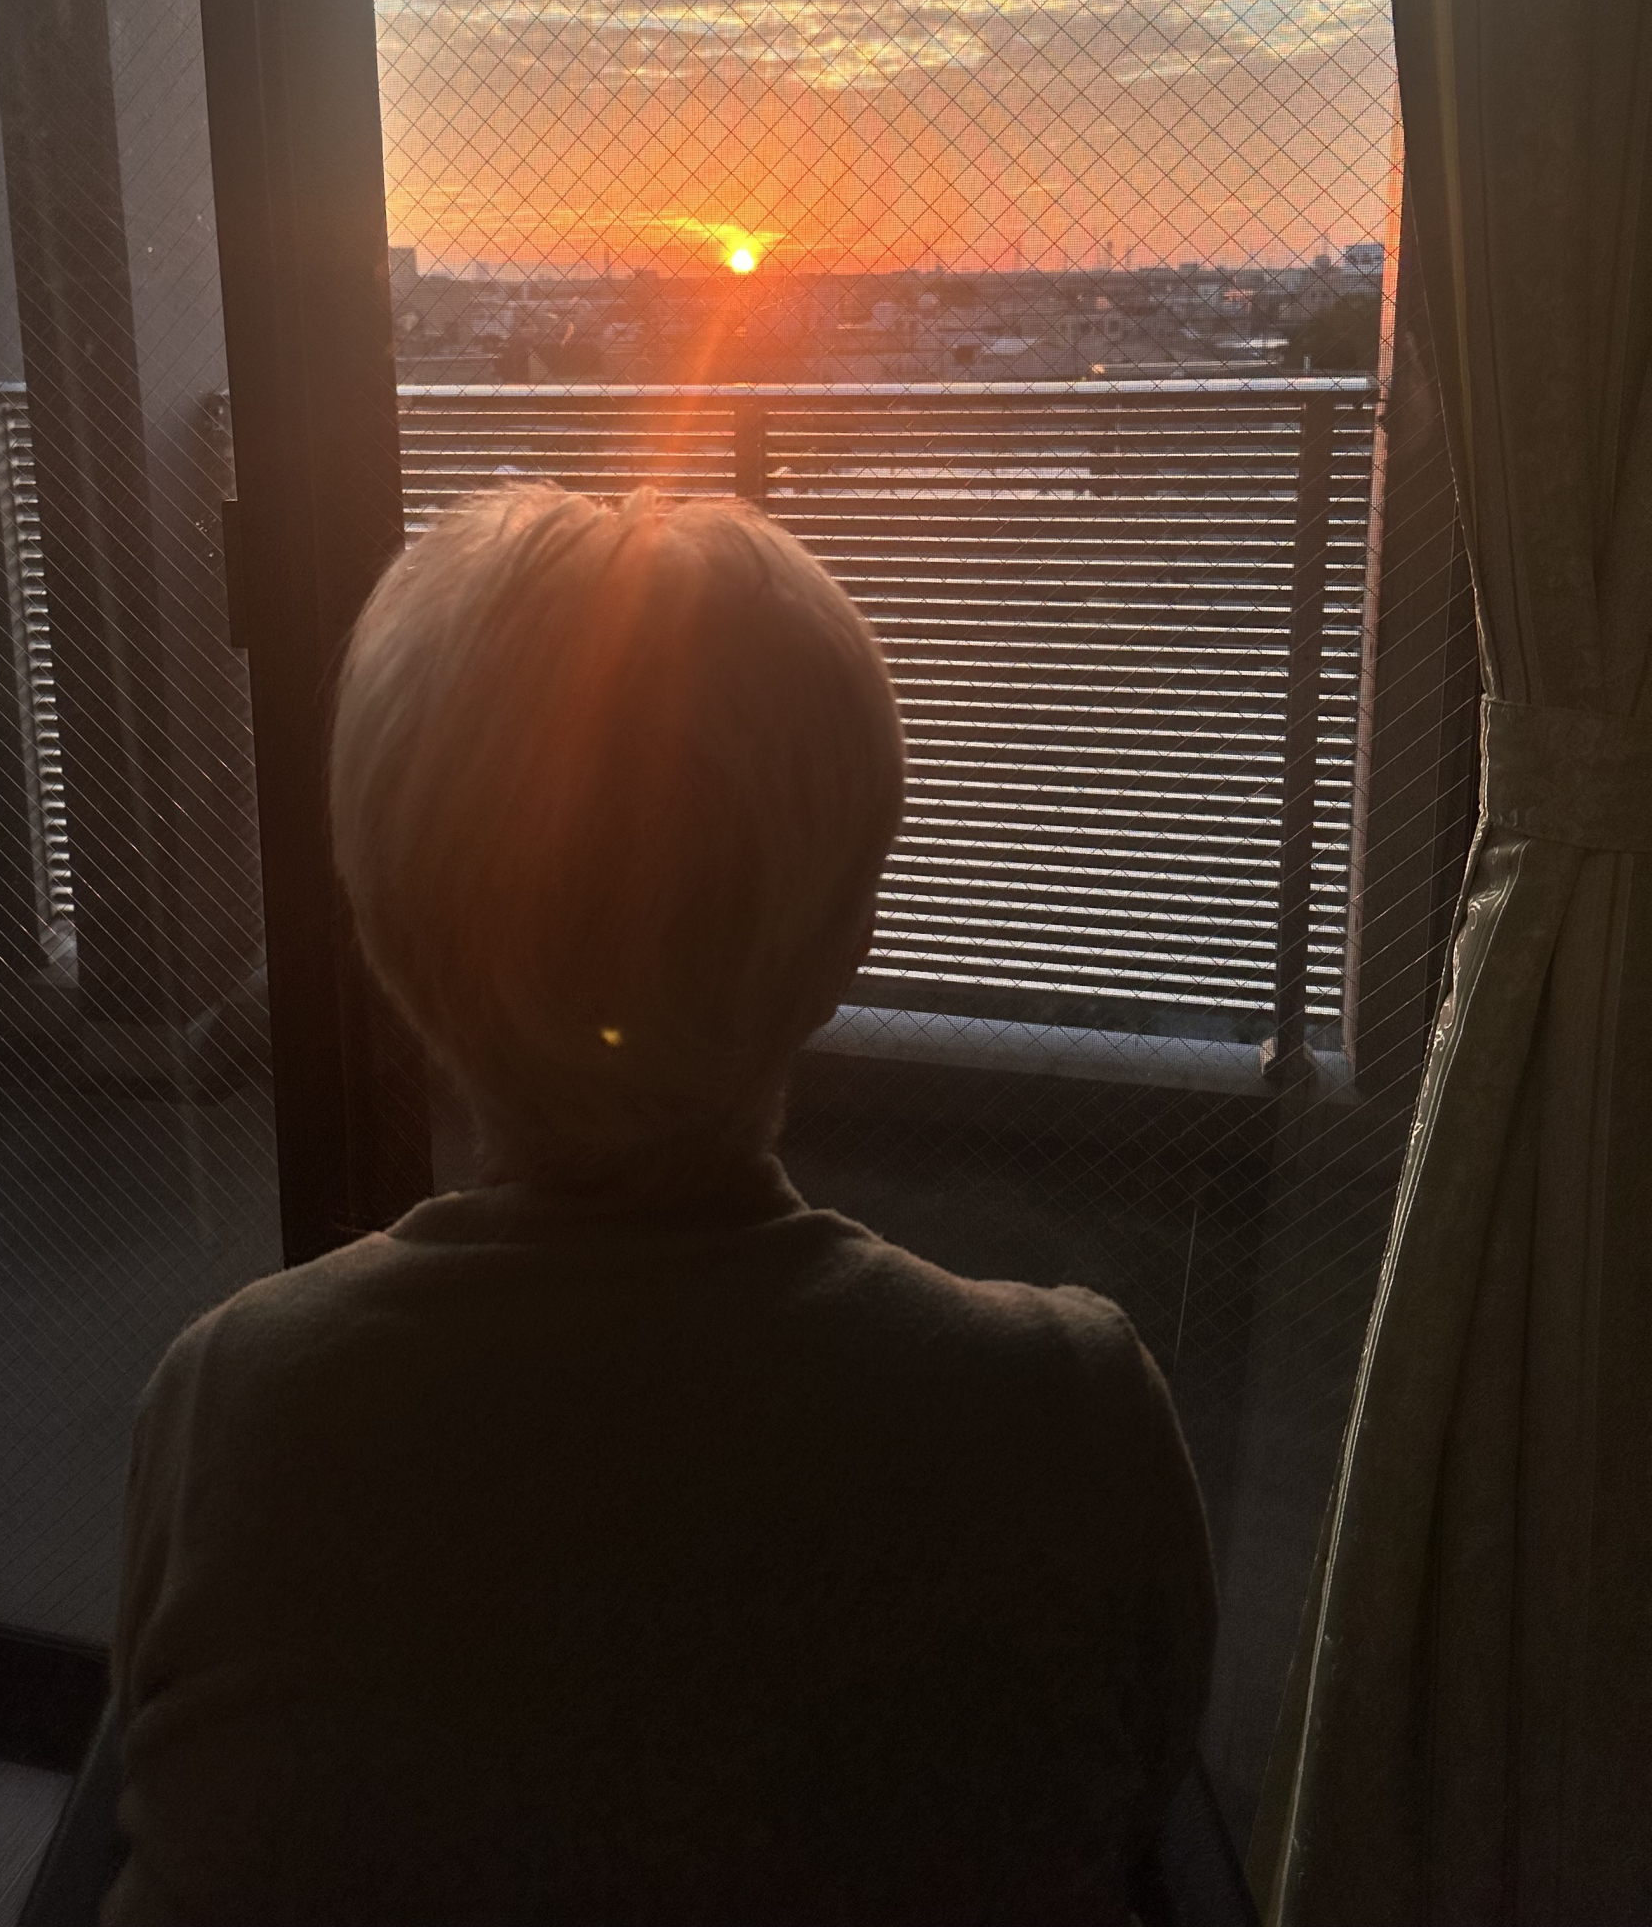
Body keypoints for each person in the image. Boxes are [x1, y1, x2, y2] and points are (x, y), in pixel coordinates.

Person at [106, 484, 1215, 1927]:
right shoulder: (1072, 1414)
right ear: (849, 944)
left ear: (386, 941)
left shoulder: (232, 1405)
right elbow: (1136, 1800)